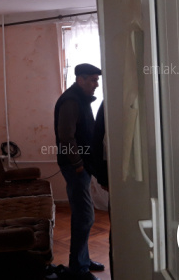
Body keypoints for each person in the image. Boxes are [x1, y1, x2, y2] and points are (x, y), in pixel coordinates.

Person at [54, 63, 104, 280]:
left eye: (97, 80)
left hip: (80, 165)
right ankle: (78, 269)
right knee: (84, 216)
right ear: (80, 80)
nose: (96, 84)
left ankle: (82, 260)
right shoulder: (71, 101)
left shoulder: (81, 99)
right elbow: (66, 137)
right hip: (75, 167)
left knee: (84, 214)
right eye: (92, 80)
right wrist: (78, 164)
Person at [92, 101, 113, 278]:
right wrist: (102, 176)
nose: (97, 87)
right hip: (116, 176)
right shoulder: (109, 103)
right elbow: (98, 139)